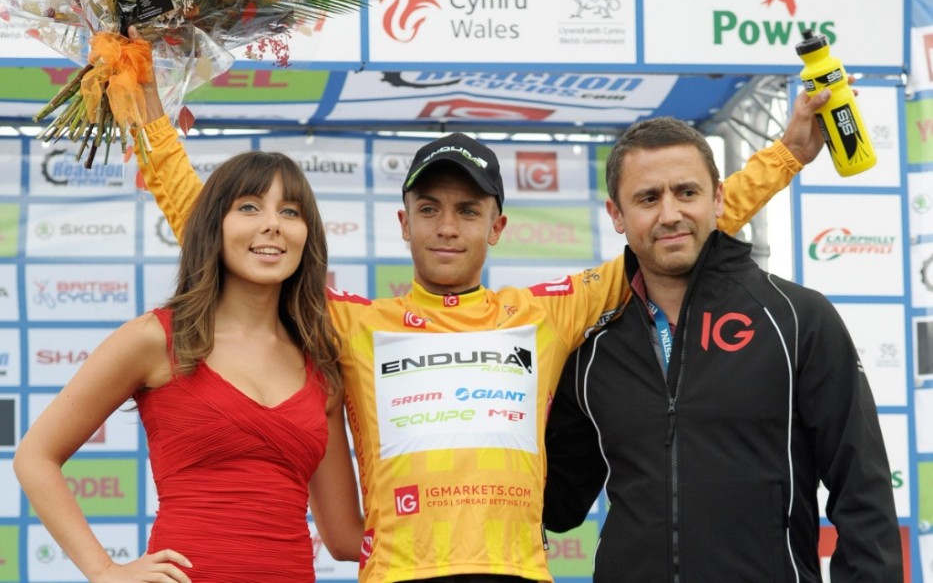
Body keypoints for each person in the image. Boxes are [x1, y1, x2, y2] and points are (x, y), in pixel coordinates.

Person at [133, 69, 830, 583]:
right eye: (430, 209)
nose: (447, 227)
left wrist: (787, 155)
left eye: (468, 211)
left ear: (496, 226)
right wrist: (148, 119)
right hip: (399, 575)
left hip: (517, 573)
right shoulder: (351, 323)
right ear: (403, 223)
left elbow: (671, 229)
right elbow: (218, 233)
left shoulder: (544, 312)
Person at [542, 117, 903, 582]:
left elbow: (862, 487)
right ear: (617, 214)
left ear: (716, 198)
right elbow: (559, 505)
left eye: (686, 193)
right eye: (648, 198)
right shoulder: (592, 346)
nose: (669, 214)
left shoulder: (796, 318)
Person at [14, 151, 363, 582]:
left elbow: (344, 538)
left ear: (308, 235)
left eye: (290, 211)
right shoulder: (156, 338)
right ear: (214, 225)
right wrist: (103, 570)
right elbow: (35, 456)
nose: (273, 223)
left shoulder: (321, 364)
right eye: (249, 207)